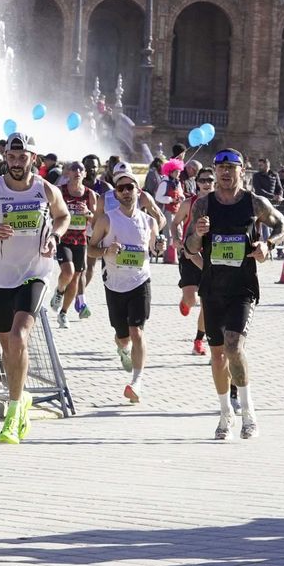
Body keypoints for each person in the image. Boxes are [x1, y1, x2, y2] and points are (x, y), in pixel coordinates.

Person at [0, 132, 69, 445]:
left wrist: (55, 237)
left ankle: (12, 414)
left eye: (23, 158)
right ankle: (20, 397)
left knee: (18, 336)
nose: (16, 163)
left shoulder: (45, 189)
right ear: (6, 158)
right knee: (8, 347)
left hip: (35, 272)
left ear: (33, 159)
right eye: (11, 157)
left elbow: (63, 216)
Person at [183, 148, 284, 441]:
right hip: (212, 286)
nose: (226, 173)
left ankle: (248, 412)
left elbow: (282, 225)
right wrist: (198, 234)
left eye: (232, 167)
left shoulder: (254, 203)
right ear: (215, 172)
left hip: (243, 286)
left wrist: (269, 245)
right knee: (217, 357)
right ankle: (224, 414)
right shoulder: (204, 205)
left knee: (234, 346)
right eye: (221, 168)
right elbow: (190, 249)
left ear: (242, 171)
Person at [89, 165, 158, 404]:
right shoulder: (107, 219)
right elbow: (90, 248)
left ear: (138, 190)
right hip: (114, 284)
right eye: (121, 188)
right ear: (116, 194)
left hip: (140, 281)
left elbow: (155, 247)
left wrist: (158, 247)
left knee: (137, 331)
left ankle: (137, 382)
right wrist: (107, 250)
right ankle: (122, 349)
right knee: (122, 335)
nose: (127, 192)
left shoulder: (148, 222)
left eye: (130, 187)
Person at [172, 168, 214, 355]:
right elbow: (174, 223)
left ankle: (198, 340)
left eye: (210, 180)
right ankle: (185, 301)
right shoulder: (189, 203)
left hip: (210, 257)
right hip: (189, 255)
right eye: (203, 180)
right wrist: (176, 237)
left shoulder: (220, 204)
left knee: (206, 302)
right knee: (192, 299)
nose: (207, 183)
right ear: (197, 183)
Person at [54, 161, 98, 328]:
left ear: (85, 174)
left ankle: (63, 313)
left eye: (81, 169)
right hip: (63, 238)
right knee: (68, 272)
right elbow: (51, 212)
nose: (77, 172)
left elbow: (95, 220)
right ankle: (59, 291)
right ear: (67, 173)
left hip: (80, 240)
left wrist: (87, 213)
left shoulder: (89, 194)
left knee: (75, 279)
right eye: (74, 169)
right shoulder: (60, 191)